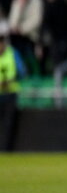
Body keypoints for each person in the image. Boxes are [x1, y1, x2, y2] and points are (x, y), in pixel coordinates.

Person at [0, 21, 25, 151]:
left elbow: (22, 73)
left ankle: (5, 150)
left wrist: (10, 81)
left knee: (8, 125)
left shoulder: (12, 53)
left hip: (10, 93)